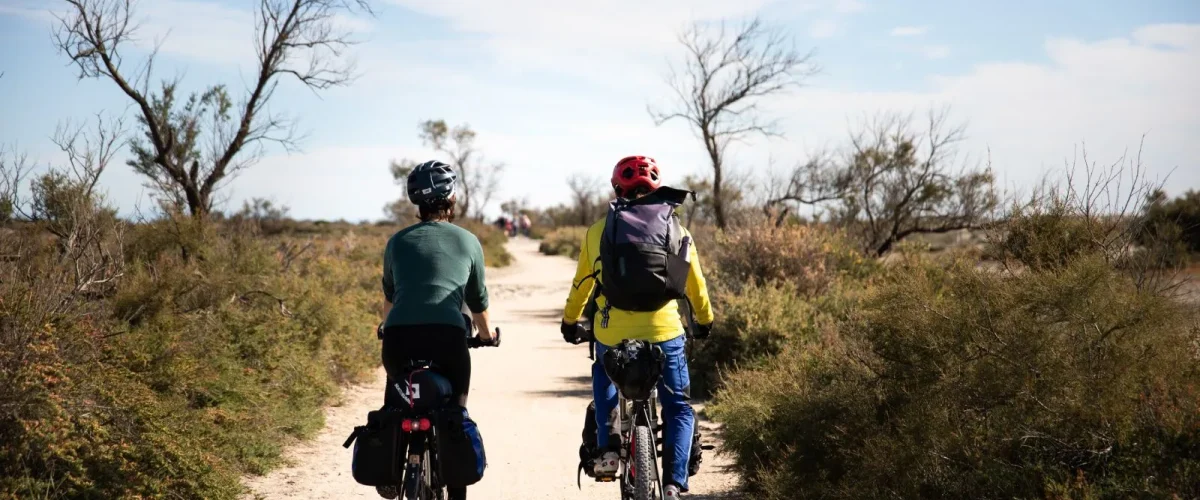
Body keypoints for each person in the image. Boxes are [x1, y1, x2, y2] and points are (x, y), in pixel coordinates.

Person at [559, 155, 715, 498]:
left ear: (618, 189)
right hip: (665, 333)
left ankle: (609, 448)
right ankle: (675, 483)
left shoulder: (599, 231)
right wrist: (703, 321)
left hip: (613, 332)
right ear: (657, 190)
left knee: (604, 373)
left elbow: (583, 284)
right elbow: (696, 286)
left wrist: (570, 321)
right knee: (678, 406)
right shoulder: (678, 229)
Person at [379, 160, 495, 500]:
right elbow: (477, 300)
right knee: (454, 416)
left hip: (399, 337)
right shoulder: (468, 241)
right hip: (448, 337)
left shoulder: (396, 242)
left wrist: (387, 328)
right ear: (452, 197)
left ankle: (389, 467)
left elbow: (391, 295)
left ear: (416, 201)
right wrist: (487, 337)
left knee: (397, 400)